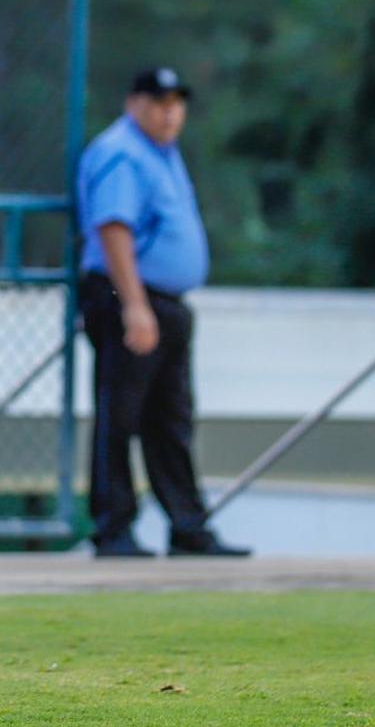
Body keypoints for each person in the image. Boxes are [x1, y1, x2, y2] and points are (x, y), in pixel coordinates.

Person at [76, 67, 249, 559]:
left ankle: (187, 525)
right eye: (158, 101)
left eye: (176, 101)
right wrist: (134, 306)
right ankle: (113, 528)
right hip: (128, 297)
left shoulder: (162, 154)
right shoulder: (121, 153)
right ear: (134, 104)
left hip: (165, 304)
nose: (170, 111)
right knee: (121, 415)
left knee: (171, 418)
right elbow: (113, 229)